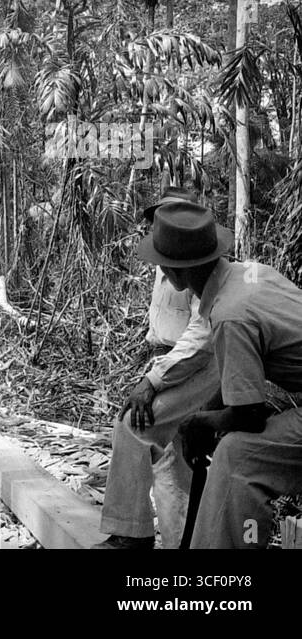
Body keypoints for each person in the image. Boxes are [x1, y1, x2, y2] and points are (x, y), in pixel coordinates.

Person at [135, 200, 302, 548]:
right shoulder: (252, 274)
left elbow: (250, 415)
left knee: (238, 456)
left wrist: (203, 423)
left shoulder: (229, 314)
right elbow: (238, 387)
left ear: (173, 273)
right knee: (229, 444)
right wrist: (206, 416)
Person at [95, 187, 218, 550]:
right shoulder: (164, 268)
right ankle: (179, 542)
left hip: (195, 365)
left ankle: (132, 535)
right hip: (171, 360)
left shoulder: (196, 263)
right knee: (170, 456)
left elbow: (202, 334)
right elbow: (163, 322)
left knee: (133, 425)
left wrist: (154, 380)